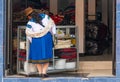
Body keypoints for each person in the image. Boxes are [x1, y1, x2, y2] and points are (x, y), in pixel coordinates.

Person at [24, 7, 56, 78]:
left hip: (36, 40)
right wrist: (52, 33)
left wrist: (32, 40)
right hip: (47, 38)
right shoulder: (46, 17)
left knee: (37, 57)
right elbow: (52, 25)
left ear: (29, 16)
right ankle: (44, 72)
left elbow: (28, 33)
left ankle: (40, 72)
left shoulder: (30, 22)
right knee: (47, 55)